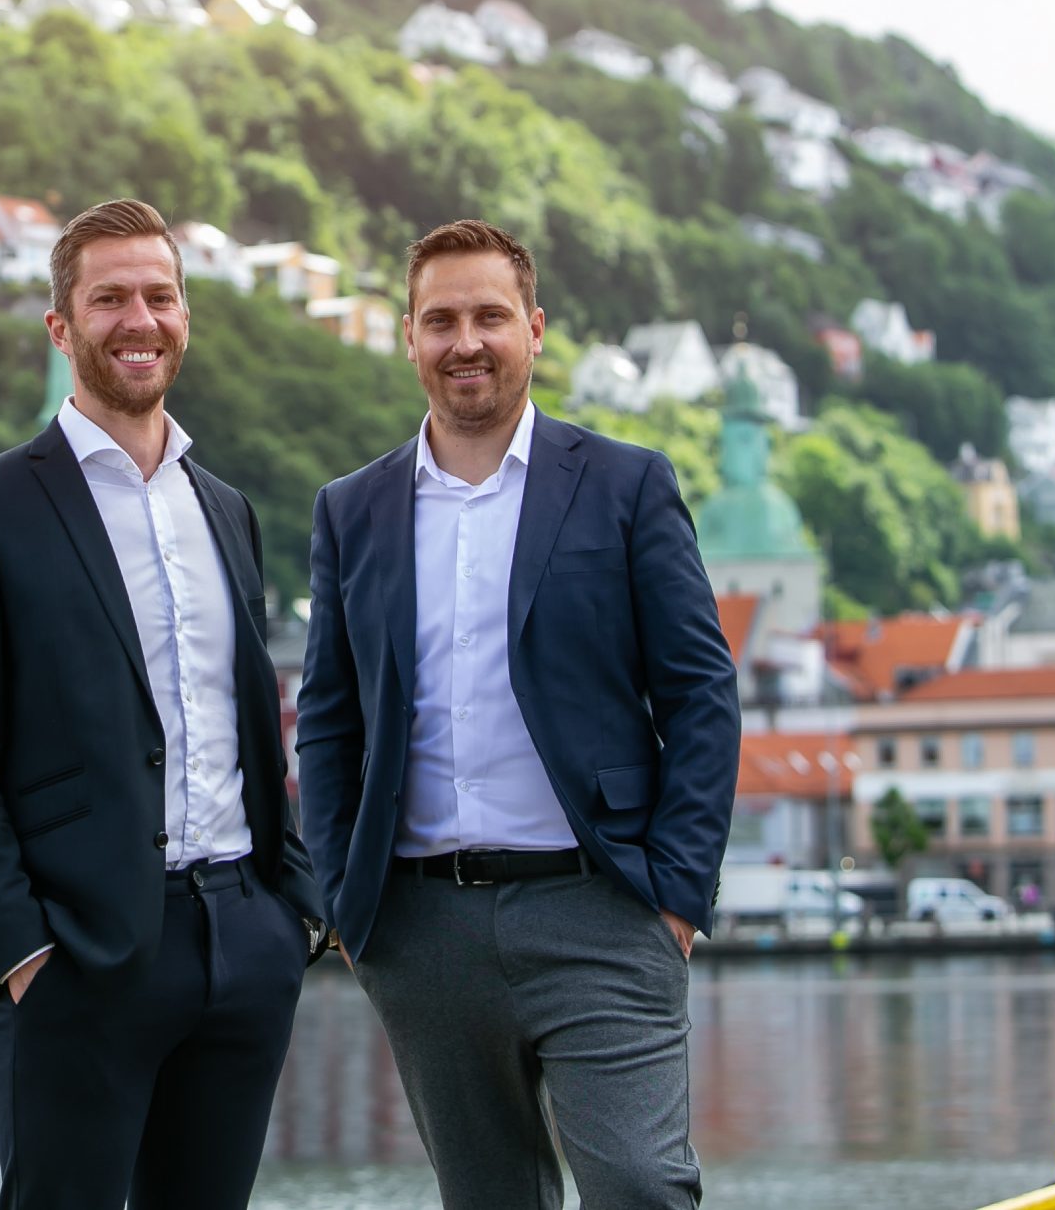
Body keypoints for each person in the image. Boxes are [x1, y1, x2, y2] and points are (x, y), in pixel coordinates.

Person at [296, 218, 740, 1210]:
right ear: (408, 337)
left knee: (636, 1185)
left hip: (602, 906)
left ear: (533, 330)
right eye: (440, 319)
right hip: (420, 927)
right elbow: (327, 718)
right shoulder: (350, 510)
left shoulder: (625, 486)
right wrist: (346, 903)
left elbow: (700, 693)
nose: (466, 340)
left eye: (489, 316)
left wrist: (676, 893)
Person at [0, 197, 327, 1210]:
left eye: (159, 295)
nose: (138, 320)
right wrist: (19, 949)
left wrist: (293, 912)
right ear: (61, 327)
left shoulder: (225, 509)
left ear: (185, 314)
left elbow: (257, 726)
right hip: (75, 956)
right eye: (109, 299)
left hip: (241, 943)